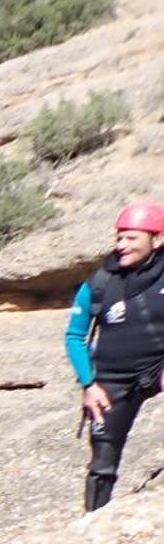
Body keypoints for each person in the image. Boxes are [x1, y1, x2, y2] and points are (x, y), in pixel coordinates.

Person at [68, 200, 164, 512]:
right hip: (111, 378)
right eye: (119, 237)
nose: (121, 245)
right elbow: (74, 336)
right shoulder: (100, 283)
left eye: (131, 238)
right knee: (102, 461)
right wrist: (89, 384)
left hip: (158, 365)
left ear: (157, 239)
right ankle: (94, 520)